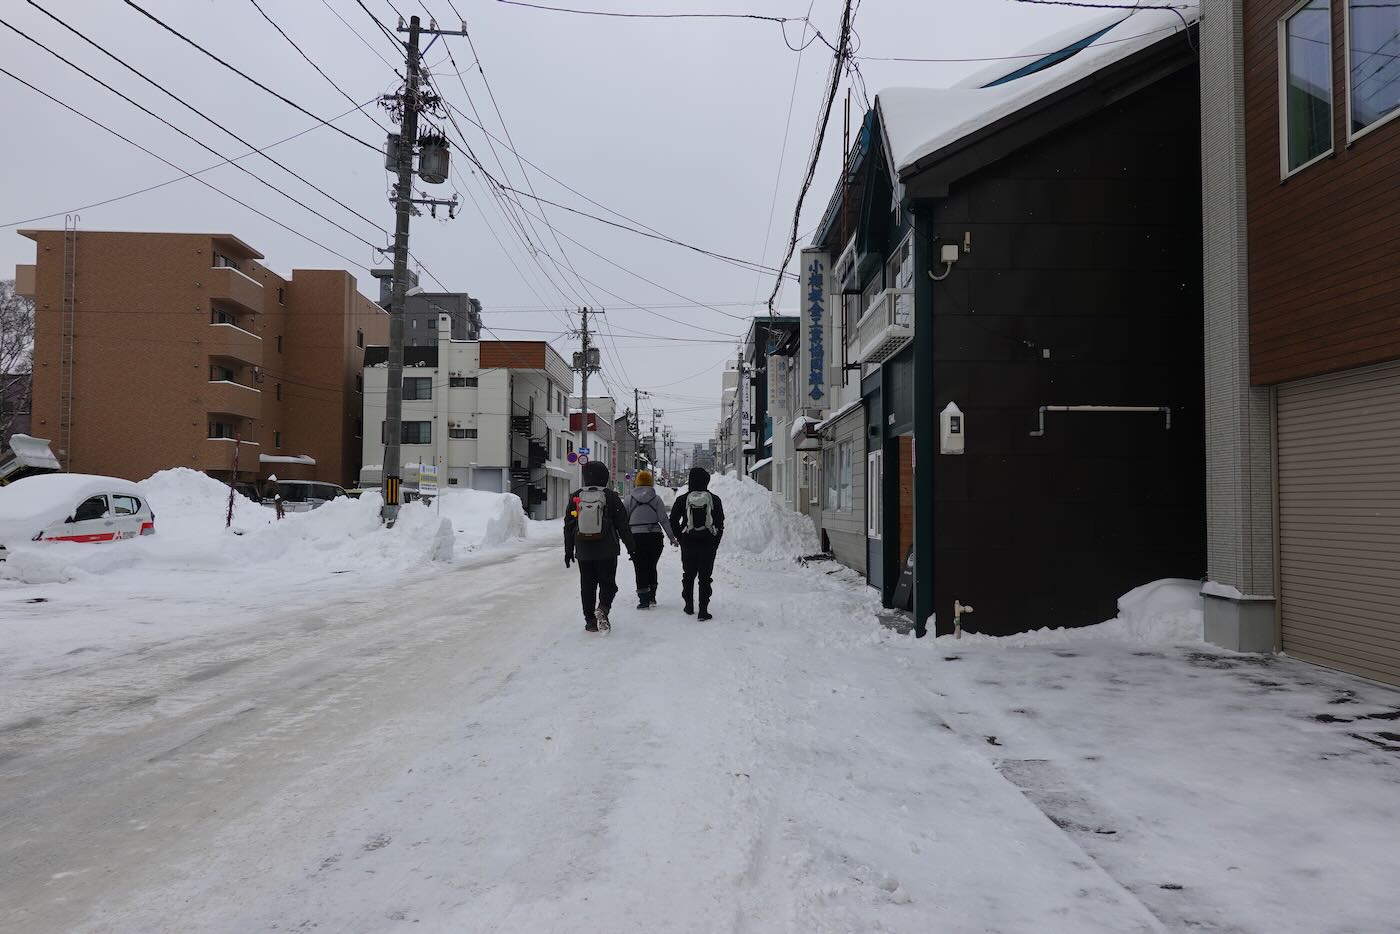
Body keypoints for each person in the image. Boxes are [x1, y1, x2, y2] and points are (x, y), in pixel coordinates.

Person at [564, 460, 636, 633]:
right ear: (604, 477)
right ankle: (603, 609)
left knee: (587, 586)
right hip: (607, 549)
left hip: (583, 550)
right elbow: (623, 525)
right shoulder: (611, 497)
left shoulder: (576, 496)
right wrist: (632, 548)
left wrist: (568, 551)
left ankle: (590, 621)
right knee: (608, 584)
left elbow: (569, 526)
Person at [669, 467, 725, 621]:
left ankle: (688, 605)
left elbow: (673, 520)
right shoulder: (714, 499)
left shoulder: (682, 499)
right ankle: (703, 611)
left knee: (688, 575)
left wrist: (680, 537)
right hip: (708, 542)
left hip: (688, 541)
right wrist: (715, 542)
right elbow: (720, 523)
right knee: (705, 577)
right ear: (706, 481)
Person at [624, 469, 678, 609]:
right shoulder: (656, 499)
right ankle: (652, 596)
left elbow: (623, 521)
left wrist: (622, 537)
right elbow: (664, 520)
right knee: (651, 566)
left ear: (637, 483)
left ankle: (643, 600)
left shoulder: (629, 499)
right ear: (651, 483)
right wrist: (672, 538)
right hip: (655, 537)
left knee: (640, 567)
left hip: (636, 537)